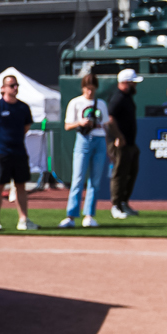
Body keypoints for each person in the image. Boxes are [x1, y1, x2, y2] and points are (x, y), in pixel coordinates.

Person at [0, 74, 37, 231]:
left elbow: (26, 127)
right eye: (12, 85)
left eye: (16, 85)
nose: (15, 88)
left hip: (19, 152)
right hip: (2, 153)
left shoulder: (23, 108)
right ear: (3, 88)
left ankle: (23, 220)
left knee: (20, 185)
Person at [60, 68, 108, 228]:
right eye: (87, 88)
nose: (89, 91)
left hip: (99, 140)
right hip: (83, 140)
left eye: (92, 88)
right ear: (82, 88)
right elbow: (67, 125)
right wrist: (80, 123)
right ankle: (71, 215)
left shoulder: (101, 104)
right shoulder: (75, 102)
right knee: (78, 179)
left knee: (95, 180)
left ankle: (89, 215)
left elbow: (106, 125)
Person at [106, 68, 142, 219]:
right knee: (120, 174)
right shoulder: (118, 98)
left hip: (130, 143)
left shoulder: (127, 97)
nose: (135, 86)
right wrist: (118, 136)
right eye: (133, 83)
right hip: (120, 144)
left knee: (131, 173)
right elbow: (109, 119)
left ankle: (124, 203)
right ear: (126, 83)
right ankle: (116, 205)